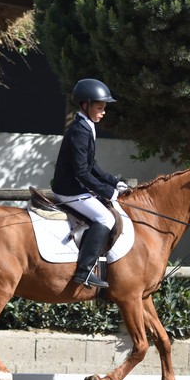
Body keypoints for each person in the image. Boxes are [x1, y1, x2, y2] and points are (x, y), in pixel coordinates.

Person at [51, 78, 129, 289]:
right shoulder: (79, 131)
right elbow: (82, 172)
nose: (104, 112)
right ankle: (84, 271)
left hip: (76, 187)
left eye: (104, 108)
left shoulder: (87, 126)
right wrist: (107, 191)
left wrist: (114, 182)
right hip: (69, 190)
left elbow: (91, 163)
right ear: (85, 105)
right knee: (104, 217)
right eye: (100, 108)